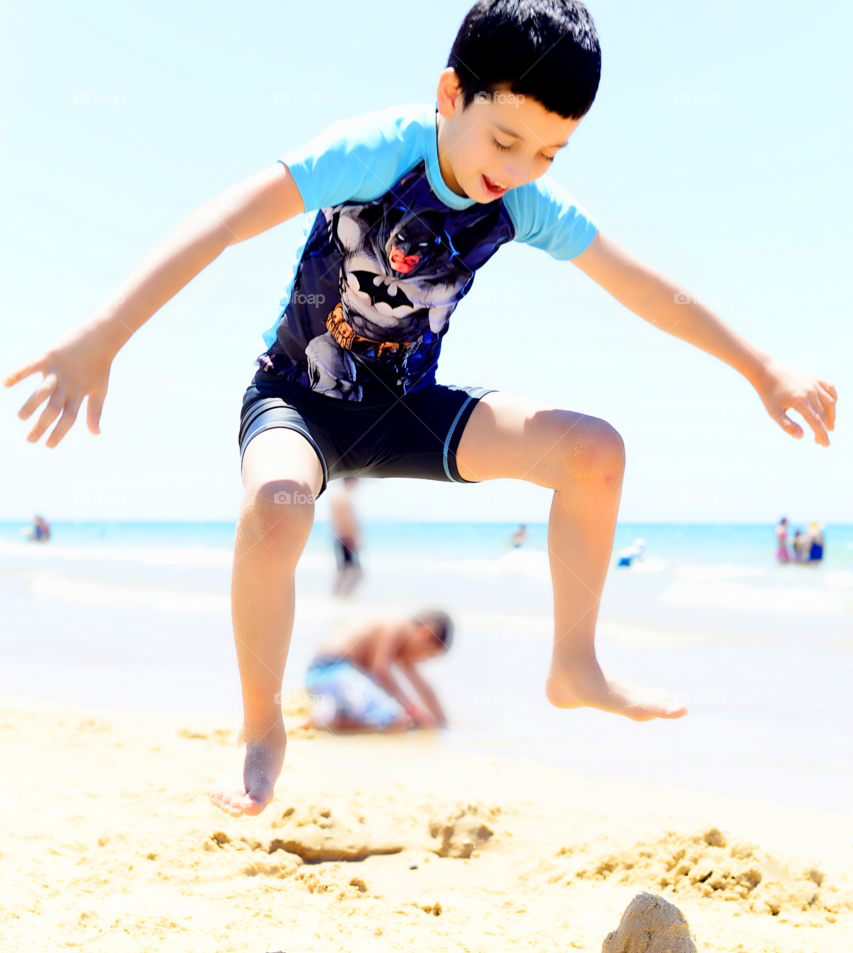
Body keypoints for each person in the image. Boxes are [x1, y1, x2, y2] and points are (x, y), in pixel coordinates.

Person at [4, 1, 837, 819]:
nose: (516, 169)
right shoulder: (378, 152)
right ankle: (261, 728)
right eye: (505, 139)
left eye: (550, 152)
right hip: (297, 395)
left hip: (405, 407)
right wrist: (103, 333)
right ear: (450, 96)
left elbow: (648, 290)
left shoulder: (519, 202)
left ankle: (574, 664)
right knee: (275, 504)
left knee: (595, 452)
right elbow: (224, 221)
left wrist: (759, 367)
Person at [302, 611, 452, 732]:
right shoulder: (397, 625)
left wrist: (442, 722)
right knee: (398, 720)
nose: (424, 660)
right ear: (425, 633)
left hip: (326, 678)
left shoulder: (404, 647)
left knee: (406, 719)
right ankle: (326, 719)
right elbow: (381, 670)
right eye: (430, 654)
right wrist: (413, 710)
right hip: (332, 670)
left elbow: (422, 685)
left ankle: (331, 714)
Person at [329, 476, 363, 596]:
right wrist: (356, 538)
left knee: (345, 573)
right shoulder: (343, 497)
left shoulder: (338, 496)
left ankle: (338, 599)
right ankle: (341, 599)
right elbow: (347, 521)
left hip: (342, 538)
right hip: (346, 539)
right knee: (355, 574)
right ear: (352, 480)